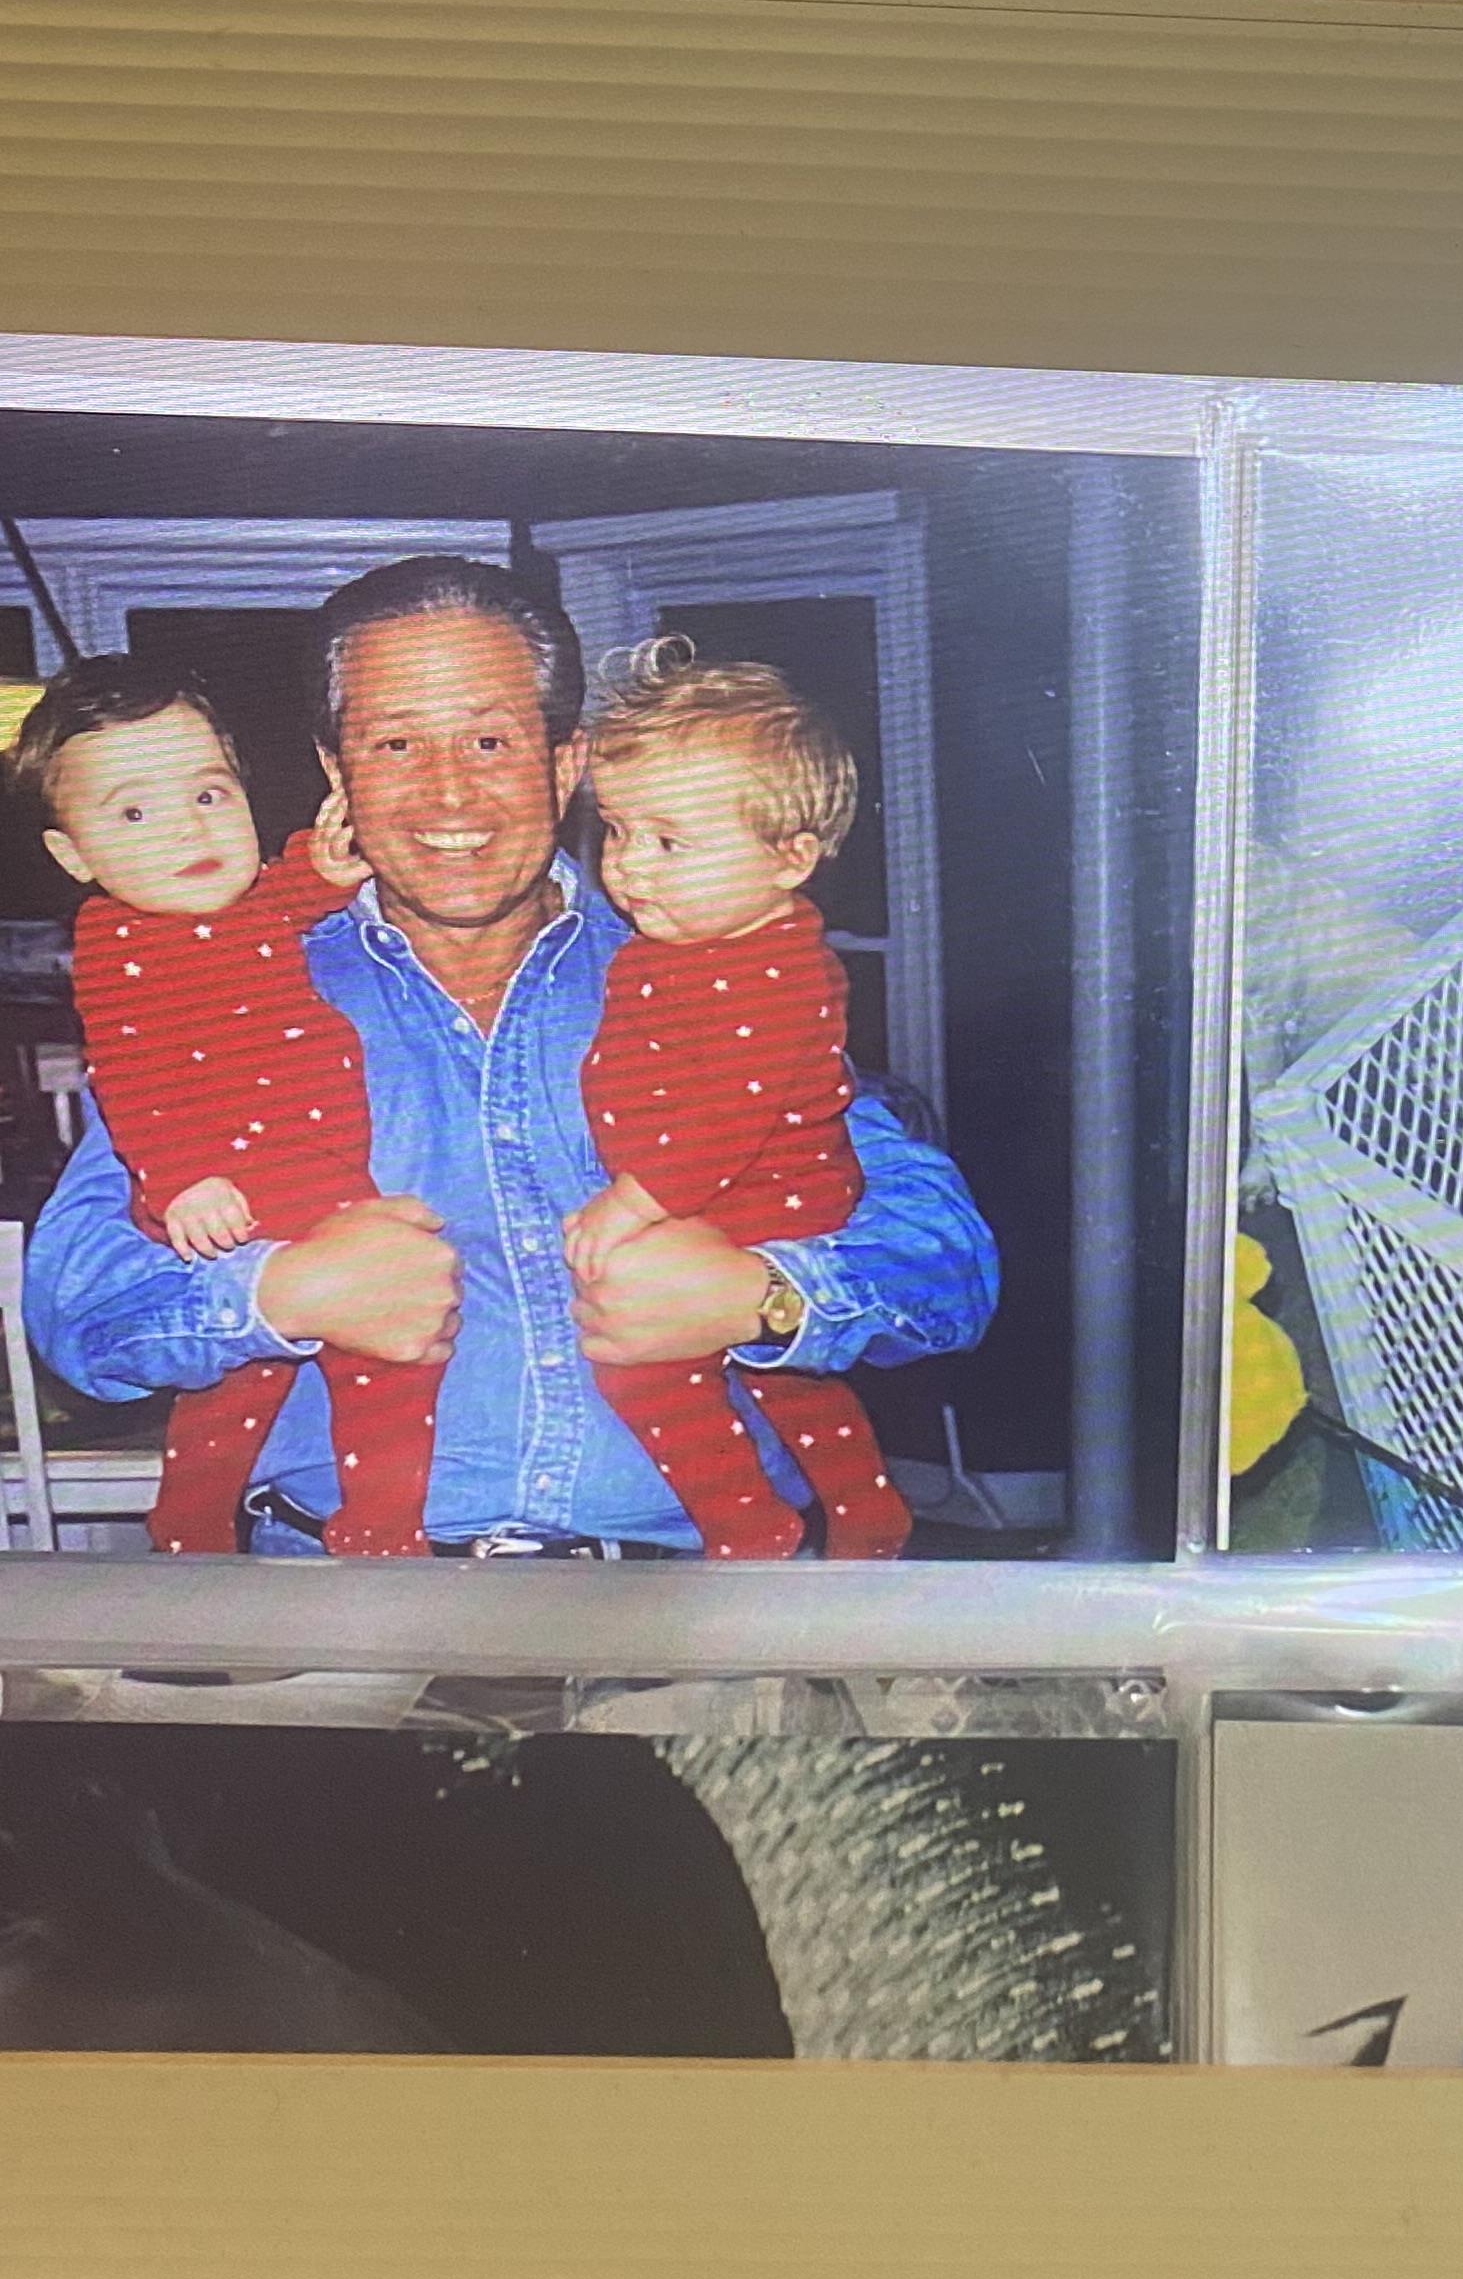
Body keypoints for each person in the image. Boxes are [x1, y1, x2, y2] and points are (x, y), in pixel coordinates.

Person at [26, 555, 998, 1558]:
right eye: (397, 743)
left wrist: (765, 1294)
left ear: (564, 762)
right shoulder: (227, 992)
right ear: (336, 772)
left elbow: (949, 1266)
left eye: (490, 740)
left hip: (693, 1604)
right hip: (349, 1606)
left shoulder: (714, 970)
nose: (450, 792)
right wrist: (279, 1295)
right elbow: (77, 1306)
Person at [8, 656, 434, 1556]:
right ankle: (259, 1537)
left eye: (209, 795)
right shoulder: (120, 944)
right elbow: (130, 1079)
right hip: (240, 1200)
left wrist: (320, 868)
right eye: (133, 812)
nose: (185, 832)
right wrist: (179, 1183)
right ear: (72, 855)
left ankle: (312, 1533)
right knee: (317, 1384)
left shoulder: (243, 907)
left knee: (307, 1389)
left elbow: (285, 899)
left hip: (321, 1183)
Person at [573, 640, 910, 1560]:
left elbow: (726, 1113)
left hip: (762, 1197)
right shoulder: (680, 944)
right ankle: (867, 1506)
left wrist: (633, 1202)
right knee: (785, 1375)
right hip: (727, 1201)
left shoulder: (778, 972)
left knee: (643, 1365)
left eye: (670, 840)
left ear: (790, 858)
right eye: (618, 831)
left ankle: (745, 1524)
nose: (630, 867)